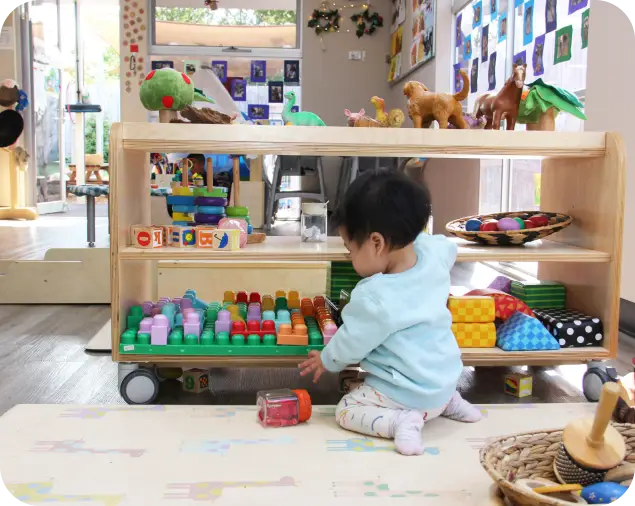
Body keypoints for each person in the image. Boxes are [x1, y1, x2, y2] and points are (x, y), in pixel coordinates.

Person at [299, 170, 481, 456]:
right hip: (446, 379)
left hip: (406, 395)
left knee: (347, 409)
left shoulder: (375, 297)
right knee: (433, 371)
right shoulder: (432, 254)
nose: (349, 258)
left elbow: (351, 341)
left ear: (377, 243)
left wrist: (327, 359)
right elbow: (447, 246)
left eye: (350, 250)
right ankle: (449, 402)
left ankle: (401, 422)